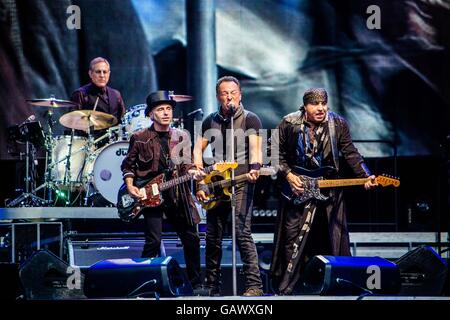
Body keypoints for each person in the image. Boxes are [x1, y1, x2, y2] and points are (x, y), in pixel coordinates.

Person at [270, 88, 378, 295]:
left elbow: (350, 152)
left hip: (329, 188)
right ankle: (287, 288)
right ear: (305, 106)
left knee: (333, 237)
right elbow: (273, 153)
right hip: (297, 189)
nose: (320, 108)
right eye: (315, 104)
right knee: (292, 239)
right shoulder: (289, 123)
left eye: (323, 104)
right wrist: (289, 176)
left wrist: (366, 175)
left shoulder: (337, 123)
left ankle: (338, 285)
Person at [121, 90, 205, 290]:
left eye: (168, 109)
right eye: (161, 109)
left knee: (191, 238)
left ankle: (196, 284)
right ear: (151, 114)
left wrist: (194, 171)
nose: (166, 113)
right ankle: (142, 284)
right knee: (153, 241)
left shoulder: (181, 136)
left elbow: (185, 164)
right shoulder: (139, 137)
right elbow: (128, 166)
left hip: (177, 193)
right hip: (150, 195)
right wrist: (131, 186)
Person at [194, 76, 264, 296]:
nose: (229, 97)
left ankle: (254, 286)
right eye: (224, 93)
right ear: (218, 97)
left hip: (241, 181)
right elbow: (197, 149)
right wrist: (198, 172)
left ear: (240, 95)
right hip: (216, 183)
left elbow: (255, 148)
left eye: (233, 92)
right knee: (213, 236)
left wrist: (255, 167)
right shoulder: (210, 121)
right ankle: (212, 286)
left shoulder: (251, 119)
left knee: (242, 232)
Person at [70, 57, 126, 144]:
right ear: (90, 74)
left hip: (112, 144)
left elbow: (123, 120)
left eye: (105, 72)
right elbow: (72, 119)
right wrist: (83, 127)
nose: (102, 75)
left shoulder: (116, 94)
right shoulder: (81, 94)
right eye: (98, 72)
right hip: (89, 144)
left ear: (109, 74)